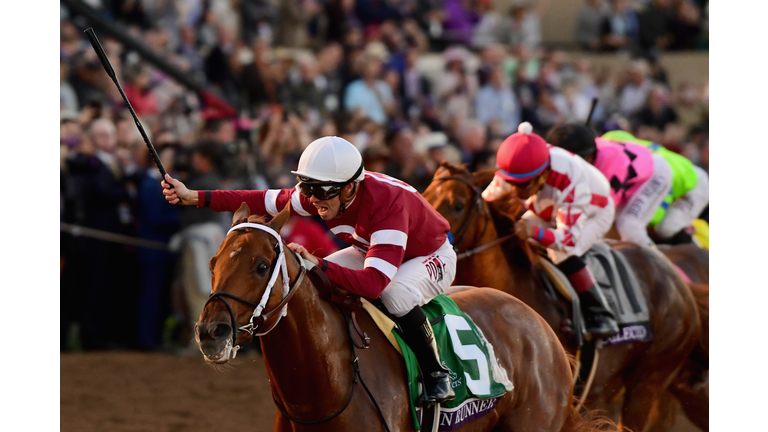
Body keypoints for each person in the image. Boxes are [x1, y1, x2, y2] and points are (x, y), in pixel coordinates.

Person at [161, 136, 457, 404]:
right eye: (307, 187)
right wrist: (194, 197)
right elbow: (256, 199)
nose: (313, 198)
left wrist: (322, 263)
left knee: (394, 294)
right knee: (310, 279)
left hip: (429, 255)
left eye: (322, 190)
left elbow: (374, 284)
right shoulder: (323, 192)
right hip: (371, 248)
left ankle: (436, 372)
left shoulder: (387, 205)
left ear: (350, 187)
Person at [482, 122, 619, 339]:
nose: (517, 190)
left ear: (543, 173)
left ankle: (601, 315)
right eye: (512, 183)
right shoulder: (514, 170)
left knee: (560, 252)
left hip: (595, 210)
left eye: (525, 184)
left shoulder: (569, 177)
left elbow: (566, 239)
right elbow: (485, 207)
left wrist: (535, 233)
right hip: (547, 206)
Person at [547, 123, 672, 247]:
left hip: (655, 173)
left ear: (589, 157)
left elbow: (604, 211)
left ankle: (657, 262)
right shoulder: (583, 154)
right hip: (631, 173)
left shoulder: (611, 164)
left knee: (629, 227)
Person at [602, 130, 708, 245]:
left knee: (668, 228)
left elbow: (652, 218)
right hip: (677, 175)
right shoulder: (621, 145)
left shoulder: (642, 163)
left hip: (696, 183)